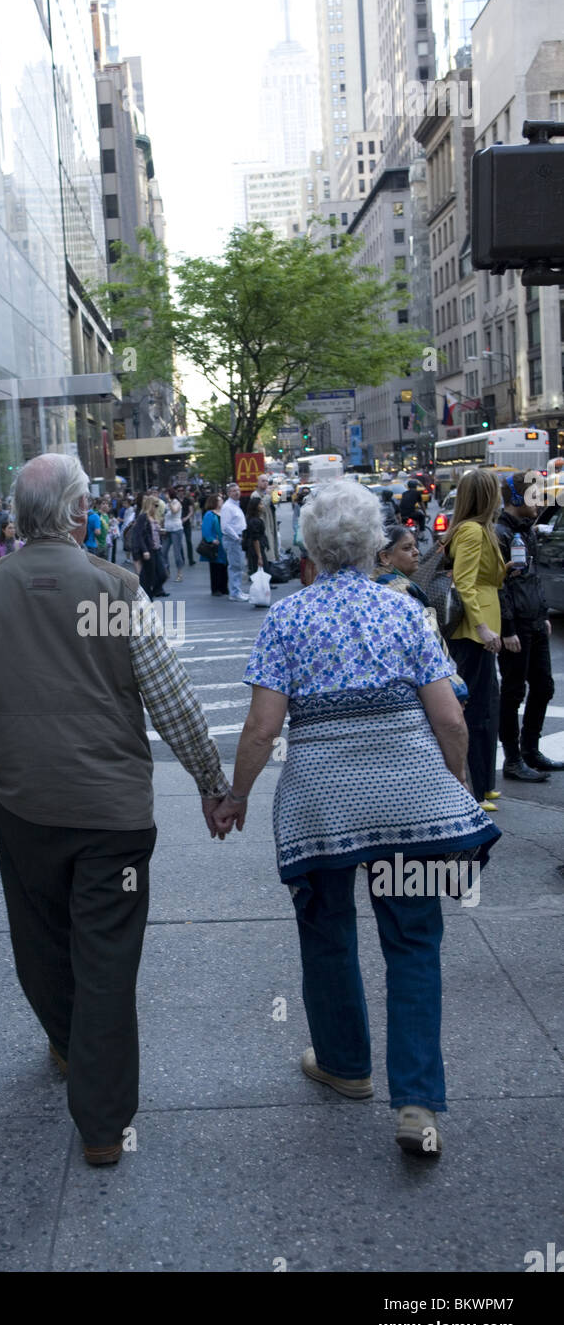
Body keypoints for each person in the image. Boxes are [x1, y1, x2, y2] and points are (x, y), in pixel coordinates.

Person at [0, 453, 230, 1166]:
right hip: (113, 816)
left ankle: (65, 1040)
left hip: (25, 807)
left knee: (41, 942)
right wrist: (212, 783)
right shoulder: (114, 589)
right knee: (108, 960)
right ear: (79, 512)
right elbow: (171, 701)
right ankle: (102, 1125)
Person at [213, 481, 500, 1157]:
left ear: (309, 547)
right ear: (377, 544)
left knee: (328, 930)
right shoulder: (405, 613)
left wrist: (238, 796)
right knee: (412, 943)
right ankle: (419, 1105)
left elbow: (260, 728)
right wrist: (449, 783)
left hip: (322, 804)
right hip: (411, 802)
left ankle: (346, 1066)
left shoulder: (287, 618)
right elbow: (450, 715)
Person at [441, 469, 507, 810]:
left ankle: (484, 784)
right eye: (495, 491)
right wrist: (482, 627)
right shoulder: (472, 531)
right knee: (476, 709)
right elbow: (465, 583)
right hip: (474, 631)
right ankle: (475, 790)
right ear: (487, 496)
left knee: (486, 707)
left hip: (482, 627)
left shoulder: (478, 529)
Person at [495, 472, 561, 776]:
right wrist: (507, 628)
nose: (540, 502)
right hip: (516, 625)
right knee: (513, 690)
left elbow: (532, 578)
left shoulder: (526, 530)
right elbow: (501, 584)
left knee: (544, 686)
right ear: (518, 498)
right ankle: (512, 759)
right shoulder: (501, 533)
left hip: (534, 621)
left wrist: (543, 614)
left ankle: (530, 751)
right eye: (534, 495)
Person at [372, 526, 467, 702]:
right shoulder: (403, 594)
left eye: (415, 546)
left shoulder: (378, 586)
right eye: (407, 548)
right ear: (385, 557)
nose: (416, 552)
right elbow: (431, 643)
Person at [221, 482, 248, 601]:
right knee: (235, 566)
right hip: (233, 540)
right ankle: (235, 593)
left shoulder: (235, 505)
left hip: (237, 538)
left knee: (238, 566)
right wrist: (236, 538)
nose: (237, 492)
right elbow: (225, 526)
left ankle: (237, 590)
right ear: (228, 493)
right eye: (233, 491)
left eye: (238, 490)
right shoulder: (228, 507)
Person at [201, 493, 228, 596]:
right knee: (215, 567)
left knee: (224, 566)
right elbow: (205, 529)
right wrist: (211, 539)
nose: (222, 501)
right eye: (219, 500)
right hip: (215, 544)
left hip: (223, 543)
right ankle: (216, 588)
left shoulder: (223, 512)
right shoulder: (209, 514)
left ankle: (224, 587)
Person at [245, 493, 269, 574]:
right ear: (256, 506)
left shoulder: (254, 519)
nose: (262, 506)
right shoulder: (254, 521)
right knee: (260, 569)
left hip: (257, 548)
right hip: (256, 549)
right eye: (260, 504)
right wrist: (259, 556)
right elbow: (255, 539)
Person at [163, 497, 186, 581]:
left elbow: (174, 511)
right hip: (167, 530)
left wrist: (169, 502)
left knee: (177, 552)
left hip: (176, 529)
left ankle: (179, 574)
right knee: (163, 551)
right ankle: (167, 571)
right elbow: (164, 516)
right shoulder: (165, 505)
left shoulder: (177, 503)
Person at [179, 488, 196, 566]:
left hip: (186, 523)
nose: (181, 492)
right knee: (179, 542)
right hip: (178, 524)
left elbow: (191, 511)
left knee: (188, 541)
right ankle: (181, 559)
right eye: (179, 491)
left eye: (182, 491)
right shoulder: (175, 500)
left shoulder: (187, 500)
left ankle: (191, 559)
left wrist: (186, 518)